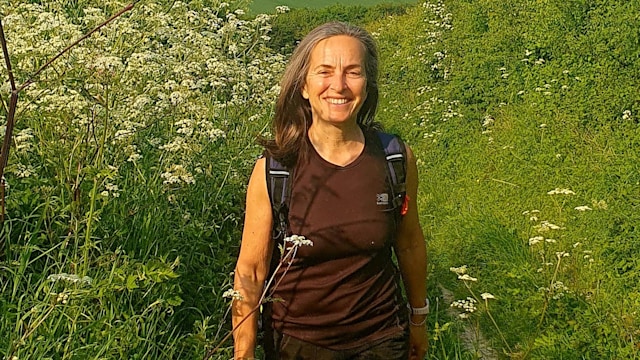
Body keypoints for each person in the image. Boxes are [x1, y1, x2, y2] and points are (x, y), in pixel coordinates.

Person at [232, 21, 428, 360]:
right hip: (296, 346)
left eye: (353, 72)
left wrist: (418, 318)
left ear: (367, 86)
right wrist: (244, 351)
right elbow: (250, 271)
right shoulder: (275, 169)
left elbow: (409, 242)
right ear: (304, 86)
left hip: (381, 340)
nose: (338, 85)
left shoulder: (395, 158)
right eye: (324, 72)